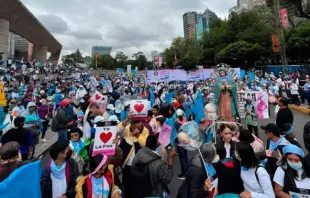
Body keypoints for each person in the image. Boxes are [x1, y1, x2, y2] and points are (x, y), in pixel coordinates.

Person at [118, 119, 149, 198]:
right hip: (127, 165)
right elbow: (117, 130)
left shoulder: (145, 131)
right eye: (134, 126)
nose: (136, 129)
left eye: (139, 127)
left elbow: (146, 145)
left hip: (139, 165)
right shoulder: (127, 128)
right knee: (127, 186)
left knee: (139, 187)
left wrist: (138, 135)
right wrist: (127, 118)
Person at [174, 109, 188, 179]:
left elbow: (175, 133)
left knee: (182, 158)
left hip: (180, 143)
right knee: (185, 157)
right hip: (186, 141)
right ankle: (187, 171)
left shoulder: (176, 123)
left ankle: (183, 173)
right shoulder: (186, 120)